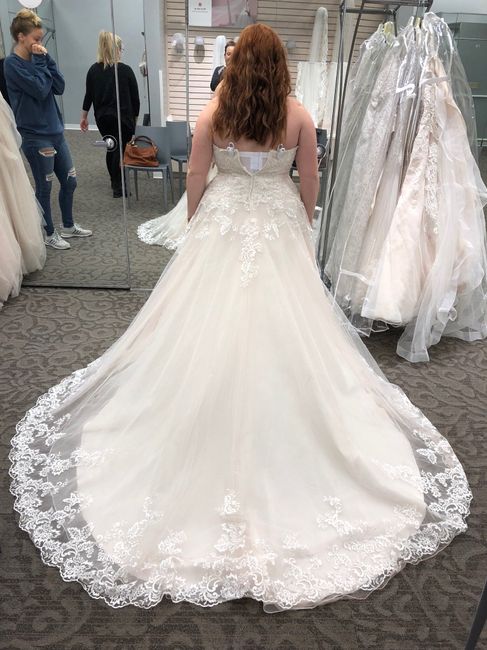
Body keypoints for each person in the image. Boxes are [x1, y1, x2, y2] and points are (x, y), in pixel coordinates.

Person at [10, 23, 470, 612]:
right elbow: (309, 179)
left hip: (225, 225)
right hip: (277, 225)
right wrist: (304, 223)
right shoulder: (298, 115)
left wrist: (198, 225)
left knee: (201, 326)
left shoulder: (214, 113)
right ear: (280, 65)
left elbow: (195, 177)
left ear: (237, 63)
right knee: (293, 331)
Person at [4, 9, 92, 250]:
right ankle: (48, 232)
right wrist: (41, 61)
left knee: (70, 181)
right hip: (35, 135)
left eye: (41, 39)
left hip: (55, 132)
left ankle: (68, 226)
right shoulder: (12, 65)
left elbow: (59, 86)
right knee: (45, 186)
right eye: (36, 38)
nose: (40, 43)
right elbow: (41, 89)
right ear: (21, 36)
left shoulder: (39, 58)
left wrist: (46, 58)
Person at [80, 31, 140, 198]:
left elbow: (88, 96)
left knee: (111, 147)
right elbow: (135, 99)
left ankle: (115, 181)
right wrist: (135, 120)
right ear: (117, 49)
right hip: (123, 118)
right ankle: (119, 187)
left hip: (103, 118)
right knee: (120, 150)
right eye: (121, 49)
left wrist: (83, 117)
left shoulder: (93, 70)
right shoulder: (126, 71)